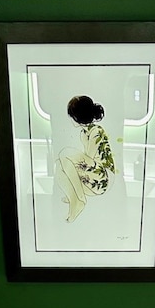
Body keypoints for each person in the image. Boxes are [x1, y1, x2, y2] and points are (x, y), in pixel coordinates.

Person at [55, 95, 116, 223]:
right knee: (60, 165)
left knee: (65, 154)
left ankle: (80, 199)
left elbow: (89, 157)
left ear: (77, 117)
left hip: (104, 177)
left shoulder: (96, 131)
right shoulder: (84, 132)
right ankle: (74, 198)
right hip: (94, 174)